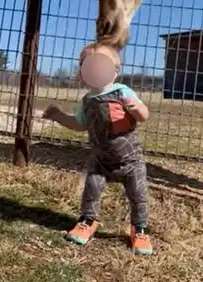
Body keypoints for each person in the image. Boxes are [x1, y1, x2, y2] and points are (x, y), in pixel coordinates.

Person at [43, 42, 153, 255]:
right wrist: (57, 115)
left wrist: (138, 109)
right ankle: (87, 220)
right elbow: (78, 124)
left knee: (138, 196)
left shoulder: (122, 92)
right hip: (101, 161)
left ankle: (139, 229)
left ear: (115, 70)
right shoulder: (86, 101)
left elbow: (144, 115)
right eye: (86, 65)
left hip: (131, 161)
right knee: (91, 191)